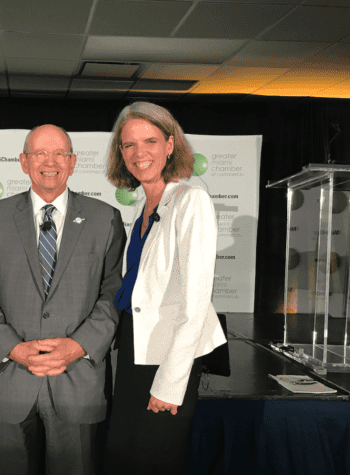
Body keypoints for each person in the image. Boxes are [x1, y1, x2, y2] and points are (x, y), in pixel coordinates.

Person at [0, 124, 125, 475]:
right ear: (24, 162)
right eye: (39, 153)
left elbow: (114, 291)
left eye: (59, 153)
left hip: (77, 378)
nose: (49, 162)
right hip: (9, 378)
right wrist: (12, 348)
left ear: (72, 163)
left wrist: (79, 346)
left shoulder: (105, 218)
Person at [104, 102, 227, 475]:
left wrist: (170, 384)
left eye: (150, 141)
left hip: (168, 359)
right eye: (129, 145)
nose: (139, 153)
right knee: (122, 458)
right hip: (134, 350)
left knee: (154, 461)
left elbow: (195, 302)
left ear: (170, 145)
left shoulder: (191, 200)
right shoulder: (144, 205)